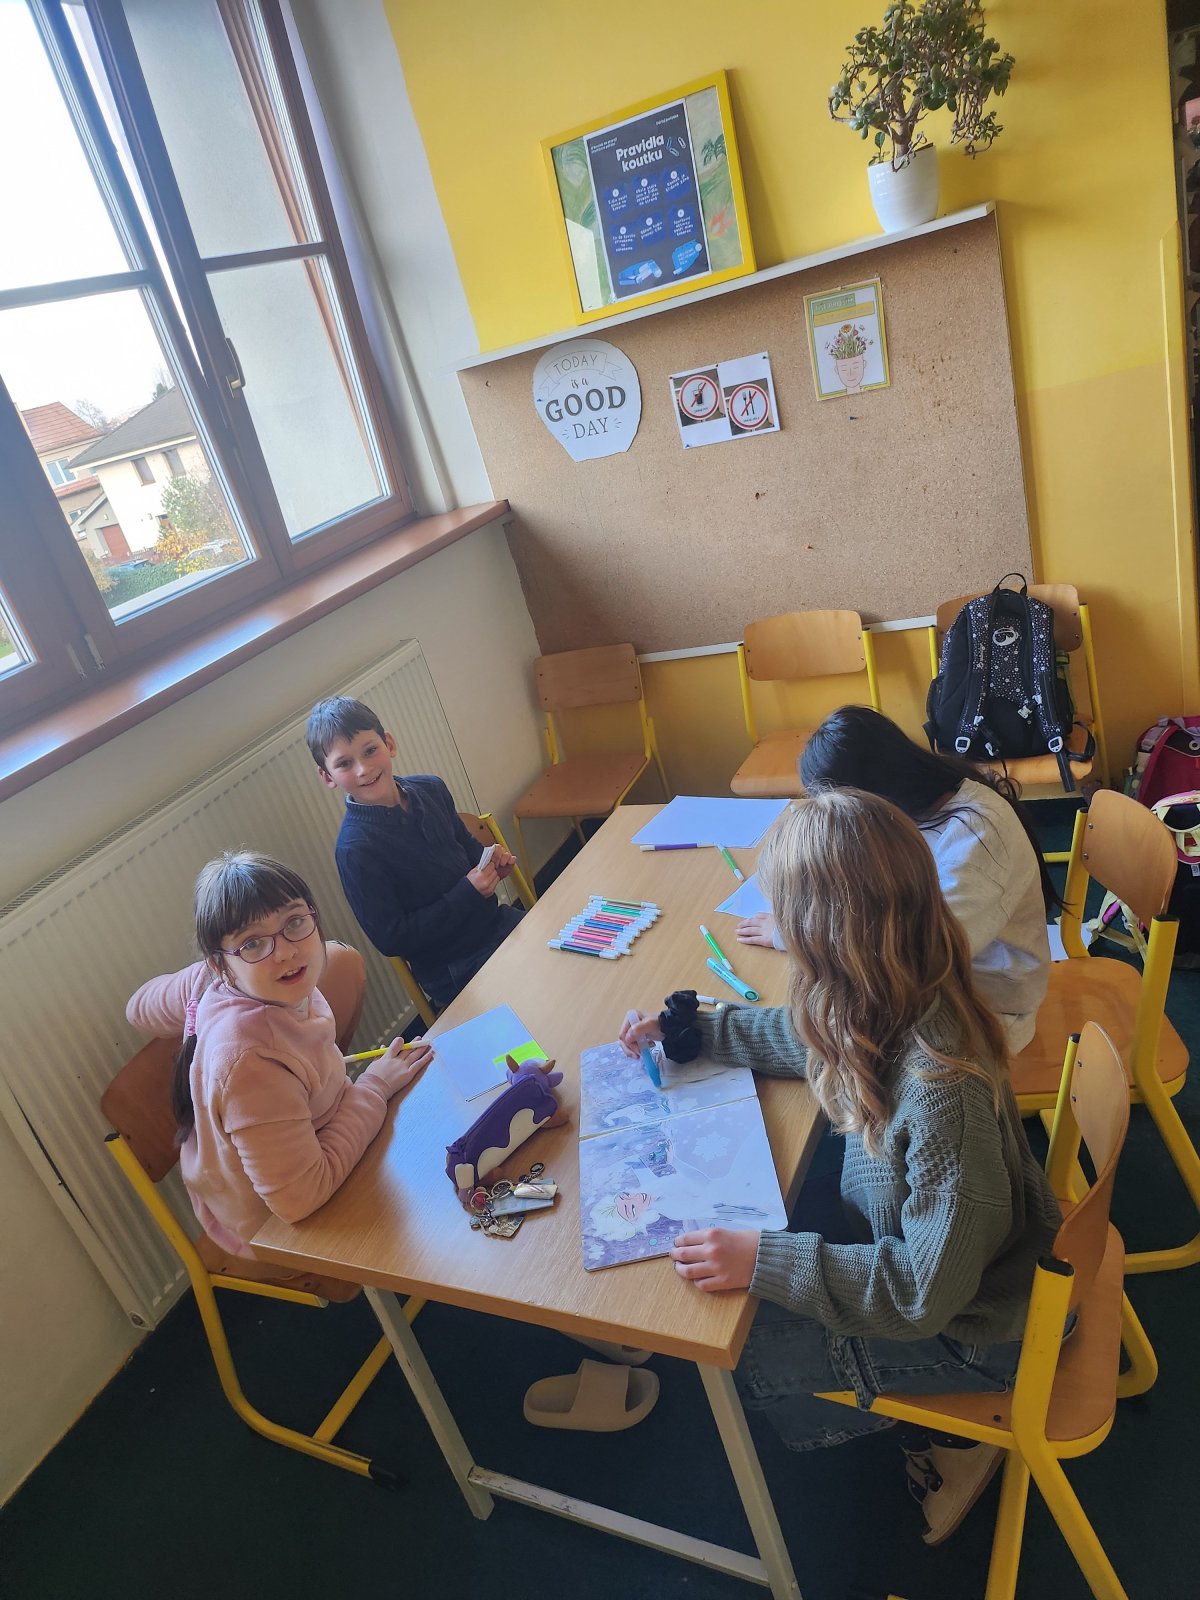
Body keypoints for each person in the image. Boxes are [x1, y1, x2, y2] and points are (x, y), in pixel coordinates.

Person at [620, 791, 1062, 1545]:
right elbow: (811, 1036)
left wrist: (765, 1260)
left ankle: (954, 1437)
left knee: (741, 1356)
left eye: (784, 915)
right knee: (754, 1268)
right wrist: (697, 1032)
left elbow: (922, 1294)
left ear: (829, 939)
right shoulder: (892, 989)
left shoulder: (941, 1089)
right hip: (937, 1261)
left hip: (974, 1330)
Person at [127, 851, 432, 1260]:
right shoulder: (250, 1063)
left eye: (294, 922)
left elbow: (138, 1008)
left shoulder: (215, 979)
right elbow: (300, 1199)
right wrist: (374, 1087)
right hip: (274, 1225)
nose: (285, 952)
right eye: (252, 943)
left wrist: (208, 980)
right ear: (219, 963)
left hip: (304, 1146)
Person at [737, 705, 1054, 1053]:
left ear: (874, 795)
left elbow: (914, 958)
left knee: (827, 1039)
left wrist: (801, 933)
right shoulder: (923, 800)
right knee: (818, 1022)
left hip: (988, 1009)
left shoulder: (975, 843)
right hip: (934, 984)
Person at [307, 696, 523, 1011]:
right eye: (344, 763)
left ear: (389, 744)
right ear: (327, 776)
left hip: (497, 923)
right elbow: (392, 937)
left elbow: (466, 846)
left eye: (370, 750)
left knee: (564, 954)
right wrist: (468, 891)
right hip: (453, 968)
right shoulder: (355, 850)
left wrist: (491, 864)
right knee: (532, 1001)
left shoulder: (432, 788)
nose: (364, 769)